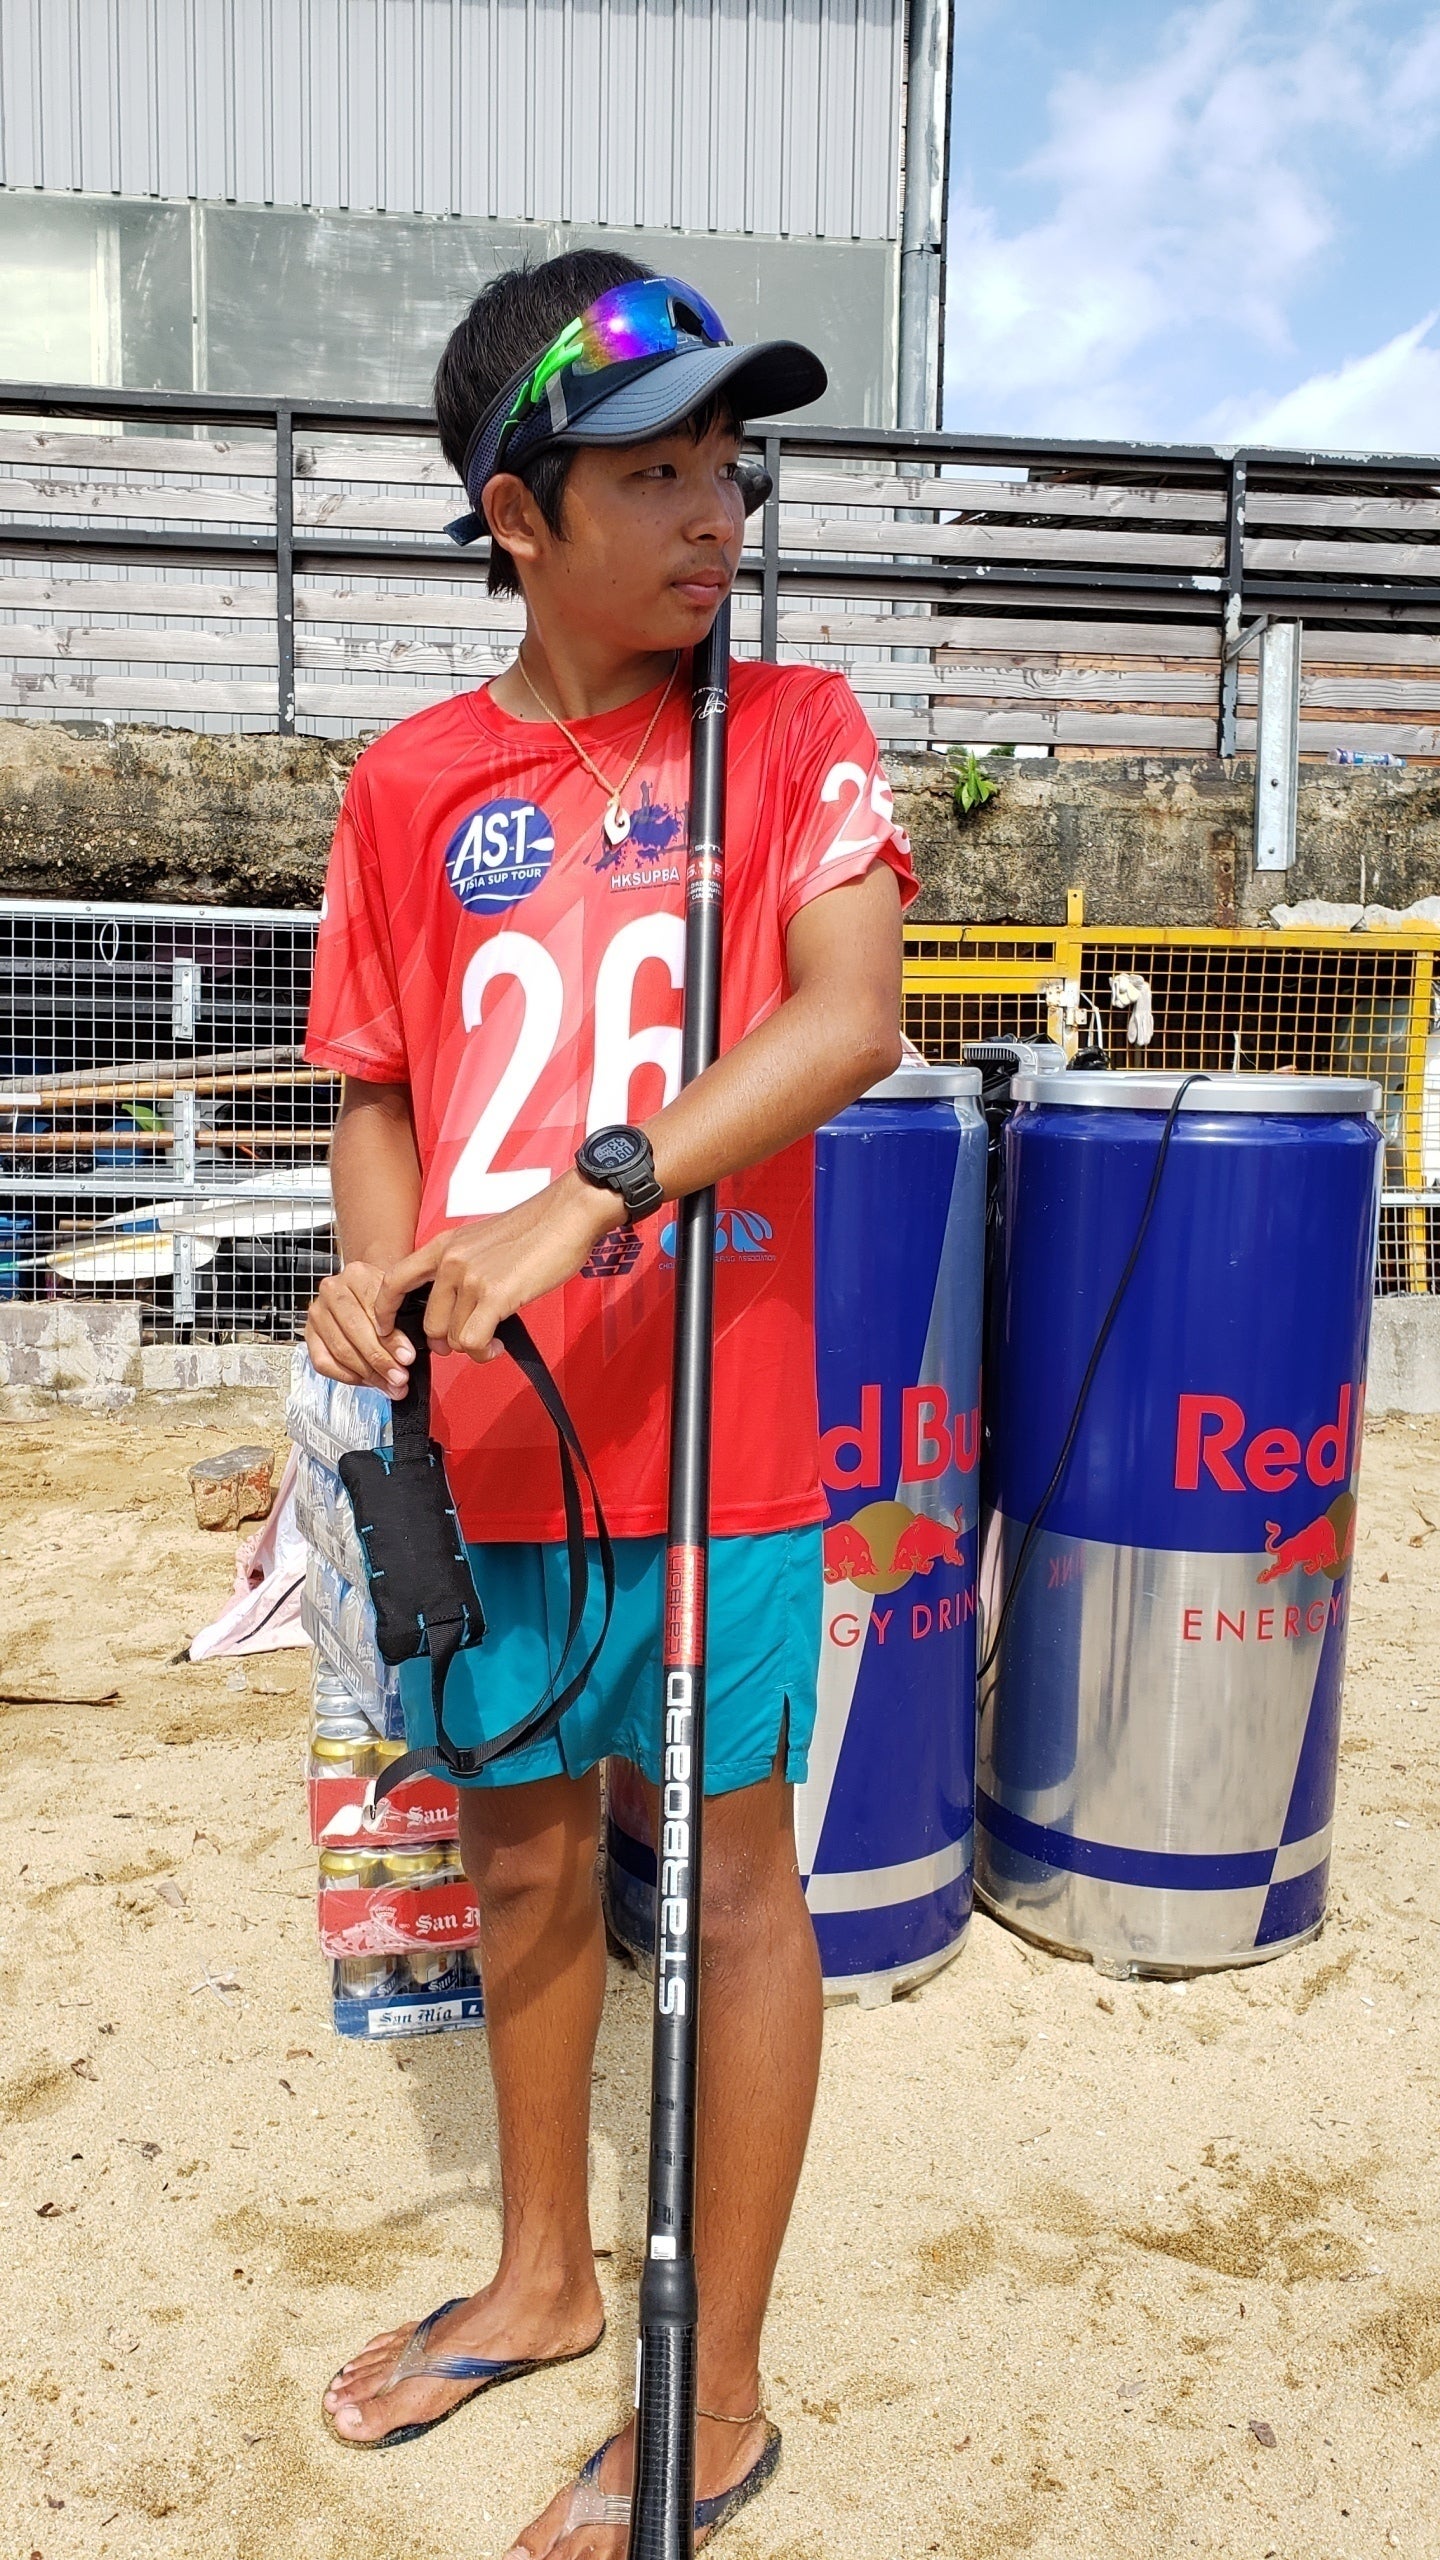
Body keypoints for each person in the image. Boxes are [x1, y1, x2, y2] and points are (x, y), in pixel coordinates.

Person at [303, 250, 915, 2557]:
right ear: (516, 514)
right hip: (481, 1442)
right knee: (521, 1846)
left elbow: (848, 1016)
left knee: (735, 1881)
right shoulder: (408, 782)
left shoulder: (797, 729)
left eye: (729, 465)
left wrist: (599, 1189)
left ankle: (717, 2390)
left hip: (720, 1431)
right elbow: (381, 1083)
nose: (715, 512)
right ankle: (545, 2274)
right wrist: (382, 1269)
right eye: (653, 472)